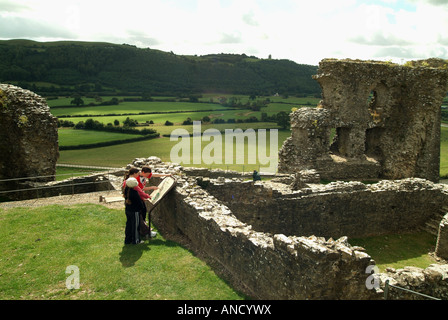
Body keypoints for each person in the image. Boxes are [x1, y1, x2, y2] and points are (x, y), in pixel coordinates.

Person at [123, 177, 146, 244]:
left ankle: (128, 240)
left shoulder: (126, 190)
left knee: (129, 225)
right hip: (135, 211)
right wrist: (142, 209)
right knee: (135, 226)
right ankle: (136, 240)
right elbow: (139, 203)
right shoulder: (134, 193)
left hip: (128, 210)